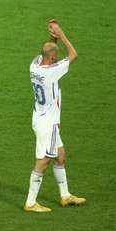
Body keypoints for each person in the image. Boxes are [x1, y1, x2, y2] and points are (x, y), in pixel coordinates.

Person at [24, 19, 86, 213]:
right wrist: (62, 33)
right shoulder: (52, 72)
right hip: (47, 124)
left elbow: (49, 50)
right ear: (51, 60)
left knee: (60, 156)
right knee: (43, 161)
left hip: (39, 117)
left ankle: (65, 195)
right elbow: (73, 54)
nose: (58, 59)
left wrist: (53, 36)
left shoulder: (35, 64)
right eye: (56, 57)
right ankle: (31, 202)